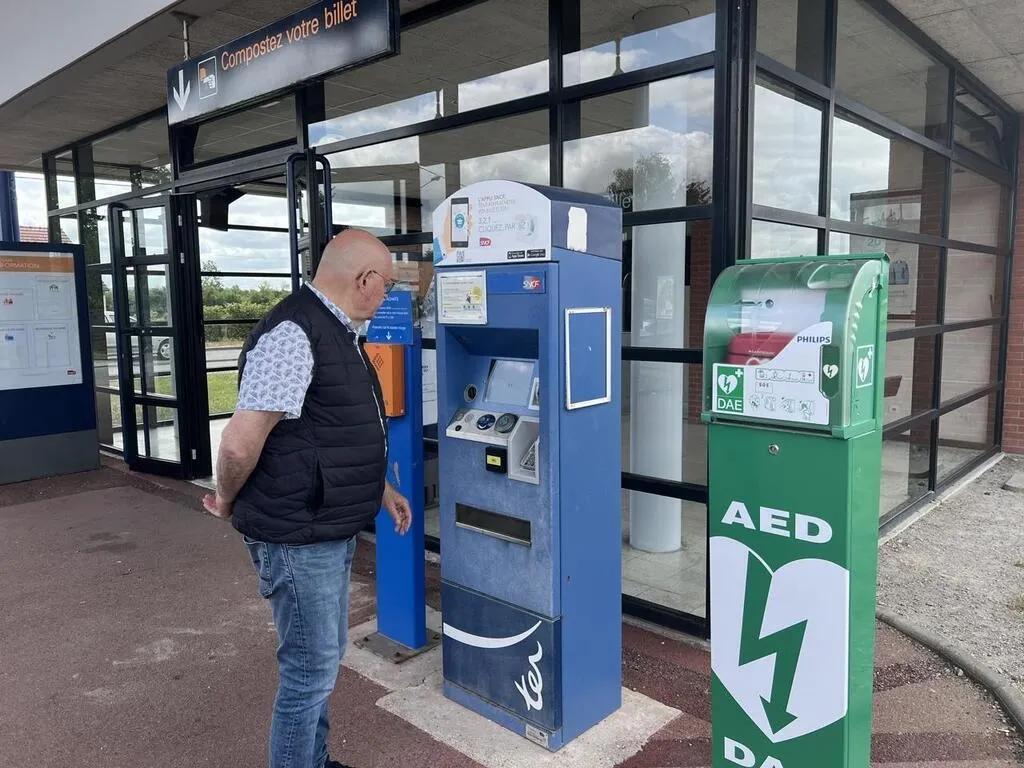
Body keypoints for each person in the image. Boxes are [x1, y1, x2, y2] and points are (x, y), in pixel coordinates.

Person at [202, 227, 413, 768]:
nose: (387, 295)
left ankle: (314, 760)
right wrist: (225, 498)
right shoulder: (295, 334)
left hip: (322, 526)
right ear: (364, 279)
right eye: (387, 285)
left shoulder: (337, 332)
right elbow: (240, 442)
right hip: (298, 535)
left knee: (320, 662)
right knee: (309, 672)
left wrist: (381, 489)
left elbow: (332, 433)